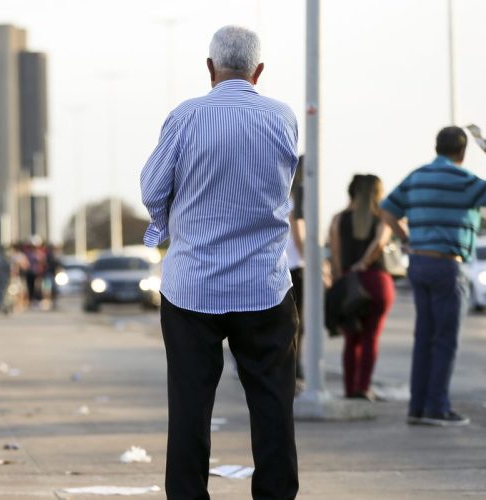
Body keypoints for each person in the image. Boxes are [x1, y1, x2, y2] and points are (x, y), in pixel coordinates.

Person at [141, 25, 299, 500]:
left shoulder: (186, 117)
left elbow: (152, 189)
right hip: (264, 285)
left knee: (190, 406)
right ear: (259, 71)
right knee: (273, 404)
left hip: (192, 288)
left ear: (209, 68)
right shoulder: (282, 118)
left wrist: (166, 226)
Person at [381, 126, 486, 427]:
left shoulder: (417, 176)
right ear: (462, 152)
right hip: (447, 265)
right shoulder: (464, 180)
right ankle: (437, 407)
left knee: (424, 338)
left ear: (436, 147)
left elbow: (386, 210)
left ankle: (418, 406)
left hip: (418, 263)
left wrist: (406, 239)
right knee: (445, 340)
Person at [329, 174, 395, 401]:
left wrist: (343, 278)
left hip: (349, 283)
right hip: (377, 282)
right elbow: (381, 242)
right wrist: (365, 262)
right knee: (371, 337)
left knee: (351, 339)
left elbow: (336, 257)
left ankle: (350, 390)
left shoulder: (339, 219)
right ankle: (363, 388)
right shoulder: (383, 218)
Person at [287, 156, 306, 386]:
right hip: (296, 267)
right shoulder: (296, 201)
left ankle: (295, 366)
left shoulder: (283, 198)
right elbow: (299, 236)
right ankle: (295, 368)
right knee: (297, 324)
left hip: (286, 266)